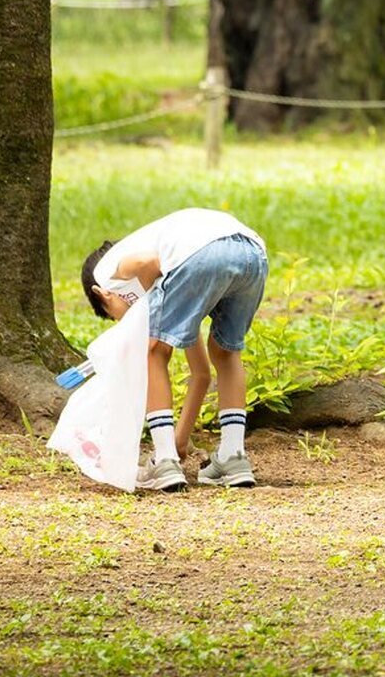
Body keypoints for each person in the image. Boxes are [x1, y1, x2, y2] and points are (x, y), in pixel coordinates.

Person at [81, 208, 268, 492]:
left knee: (152, 351)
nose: (123, 321)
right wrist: (181, 439)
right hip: (251, 254)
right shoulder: (175, 273)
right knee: (225, 352)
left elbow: (146, 262)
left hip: (202, 255)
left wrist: (152, 331)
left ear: (103, 294)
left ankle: (164, 460)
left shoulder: (107, 270)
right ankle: (233, 456)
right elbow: (201, 374)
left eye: (115, 315)